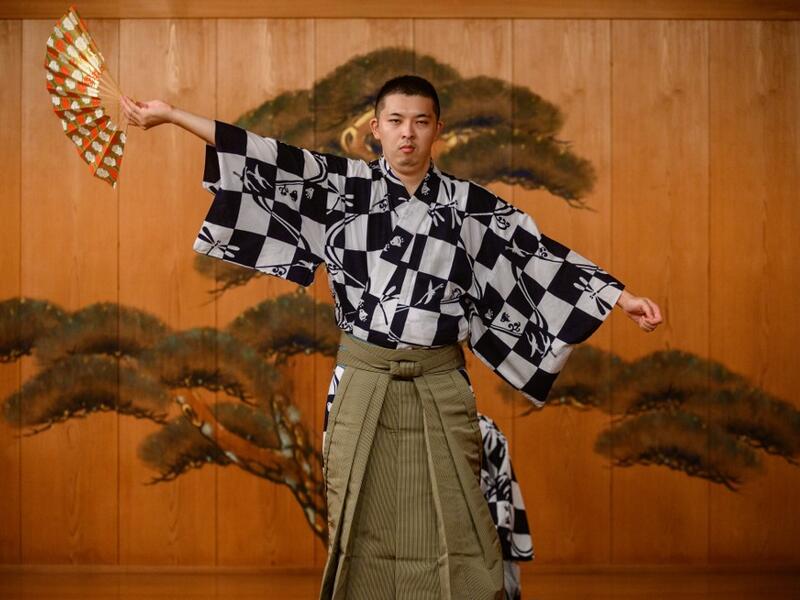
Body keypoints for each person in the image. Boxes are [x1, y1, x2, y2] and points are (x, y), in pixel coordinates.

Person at [121, 75, 662, 600]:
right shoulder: (343, 187)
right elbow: (264, 154)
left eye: (420, 122)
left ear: (437, 130)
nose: (408, 133)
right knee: (358, 515)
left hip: (441, 383)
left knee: (459, 516)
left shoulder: (470, 206)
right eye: (396, 121)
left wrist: (619, 297)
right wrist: (171, 116)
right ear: (375, 128)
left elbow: (538, 256)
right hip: (362, 380)